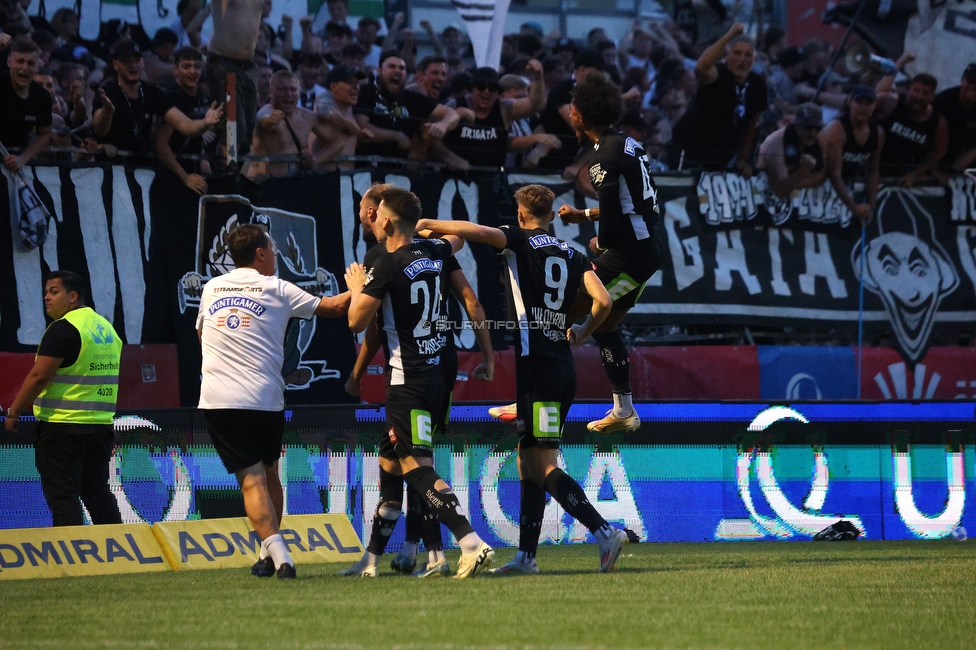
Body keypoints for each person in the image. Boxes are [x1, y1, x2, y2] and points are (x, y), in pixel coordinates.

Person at [415, 185, 628, 574]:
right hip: (559, 366)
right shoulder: (574, 253)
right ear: (549, 214)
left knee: (542, 465)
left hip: (541, 371)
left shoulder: (519, 240)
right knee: (527, 463)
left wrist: (427, 223)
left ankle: (604, 532)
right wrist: (581, 330)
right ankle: (526, 557)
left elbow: (472, 230)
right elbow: (605, 302)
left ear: (521, 215)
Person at [340, 187, 495, 579]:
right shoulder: (437, 252)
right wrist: (425, 227)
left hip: (405, 381)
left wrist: (358, 286)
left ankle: (469, 542)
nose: (370, 220)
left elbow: (356, 322)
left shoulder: (384, 261)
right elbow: (457, 240)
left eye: (374, 216)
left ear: (385, 220)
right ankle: (371, 560)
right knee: (391, 466)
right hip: (436, 377)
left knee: (419, 471)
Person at [196, 223, 349, 579]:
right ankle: (279, 556)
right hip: (264, 399)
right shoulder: (277, 288)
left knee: (254, 481)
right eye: (274, 249)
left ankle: (273, 554)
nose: (277, 255)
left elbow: (202, 333)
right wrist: (361, 286)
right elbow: (334, 308)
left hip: (220, 400)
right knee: (267, 476)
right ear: (260, 254)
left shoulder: (212, 287)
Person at [556, 71, 663, 433]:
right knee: (603, 325)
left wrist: (602, 242)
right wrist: (582, 214)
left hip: (629, 255)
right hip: (647, 250)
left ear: (581, 117)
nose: (569, 111)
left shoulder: (602, 159)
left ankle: (536, 400)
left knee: (560, 313)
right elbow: (634, 203)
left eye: (572, 107)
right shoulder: (628, 144)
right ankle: (623, 410)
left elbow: (616, 215)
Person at [4, 270, 123, 528]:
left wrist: (13, 412)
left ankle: (72, 561)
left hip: (63, 428)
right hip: (100, 427)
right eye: (45, 292)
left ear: (73, 296)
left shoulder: (63, 329)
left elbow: (38, 377)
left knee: (64, 497)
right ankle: (121, 552)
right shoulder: (106, 327)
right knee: (97, 493)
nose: (47, 297)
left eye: (54, 292)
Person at [92, 41, 222, 159]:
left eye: (136, 60)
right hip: (110, 166)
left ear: (143, 62)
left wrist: (206, 122)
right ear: (115, 64)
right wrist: (107, 112)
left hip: (142, 168)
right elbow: (99, 130)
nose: (132, 65)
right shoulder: (107, 91)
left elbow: (185, 125)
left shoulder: (152, 92)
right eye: (126, 60)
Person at [672, 22, 768, 174]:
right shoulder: (718, 74)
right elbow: (701, 66)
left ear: (753, 60)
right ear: (727, 55)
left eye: (747, 55)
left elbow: (753, 125)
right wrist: (729, 36)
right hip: (688, 152)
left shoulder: (758, 85)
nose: (742, 59)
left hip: (721, 159)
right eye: (737, 53)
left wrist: (744, 159)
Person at [439, 60, 546, 170]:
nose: (486, 92)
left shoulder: (504, 108)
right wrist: (448, 155)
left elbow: (534, 105)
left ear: (498, 92)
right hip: (454, 177)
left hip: (492, 179)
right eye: (481, 87)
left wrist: (538, 77)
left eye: (492, 88)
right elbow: (432, 136)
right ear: (472, 88)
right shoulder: (455, 105)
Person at [353, 52, 459, 162]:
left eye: (402, 68)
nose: (397, 71)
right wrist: (396, 136)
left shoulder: (412, 98)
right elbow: (362, 128)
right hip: (367, 168)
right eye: (392, 66)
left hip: (401, 172)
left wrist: (443, 124)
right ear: (379, 71)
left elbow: (452, 114)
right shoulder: (365, 92)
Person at [244, 70, 330, 181]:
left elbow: (338, 140)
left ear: (298, 92)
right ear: (271, 92)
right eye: (282, 89)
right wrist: (270, 121)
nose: (288, 94)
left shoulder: (308, 117)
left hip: (292, 185)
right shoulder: (266, 112)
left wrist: (317, 159)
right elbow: (263, 120)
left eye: (293, 89)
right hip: (263, 184)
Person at [207, 0, 264, 160]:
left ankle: (229, 167)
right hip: (224, 61)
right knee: (231, 126)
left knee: (246, 127)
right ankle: (226, 171)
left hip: (249, 64)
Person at [822, 85, 884, 224]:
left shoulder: (878, 133)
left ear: (874, 106)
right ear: (850, 102)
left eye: (868, 103)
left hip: (848, 185)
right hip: (824, 186)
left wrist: (872, 207)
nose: (863, 107)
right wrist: (853, 207)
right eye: (859, 102)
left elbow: (873, 171)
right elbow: (833, 174)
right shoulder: (836, 129)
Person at [155, 46, 212, 195]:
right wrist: (184, 176)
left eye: (197, 67)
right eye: (186, 66)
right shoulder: (173, 97)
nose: (192, 72)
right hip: (172, 178)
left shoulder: (197, 95)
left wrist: (202, 156)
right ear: (175, 69)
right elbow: (160, 144)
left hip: (194, 174)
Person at [876, 69, 948, 186]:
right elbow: (876, 96)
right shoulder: (893, 103)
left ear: (932, 97)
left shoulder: (938, 122)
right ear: (909, 89)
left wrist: (917, 173)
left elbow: (939, 152)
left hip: (906, 177)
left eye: (925, 93)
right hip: (875, 169)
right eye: (916, 90)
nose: (919, 96)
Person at [0, 38, 52, 172]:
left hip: (13, 163)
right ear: (9, 62)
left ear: (37, 67)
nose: (25, 68)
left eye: (30, 63)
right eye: (20, 61)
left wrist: (23, 158)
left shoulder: (42, 97)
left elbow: (45, 134)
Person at [756, 102, 826, 198]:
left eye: (818, 127)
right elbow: (779, 190)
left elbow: (822, 176)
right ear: (797, 125)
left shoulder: (820, 139)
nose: (813, 132)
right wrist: (804, 170)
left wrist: (795, 181)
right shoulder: (777, 143)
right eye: (808, 127)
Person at [310, 64, 366, 170]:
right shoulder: (325, 96)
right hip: (326, 176)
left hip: (348, 177)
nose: (355, 87)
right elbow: (326, 112)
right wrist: (351, 126)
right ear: (334, 86)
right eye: (349, 82)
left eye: (357, 83)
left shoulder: (349, 107)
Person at [933, 62, 976, 172]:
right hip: (935, 154)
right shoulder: (944, 101)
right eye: (971, 81)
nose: (973, 86)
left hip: (962, 158)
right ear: (962, 80)